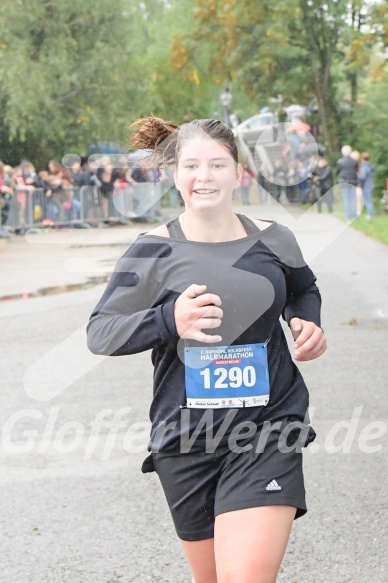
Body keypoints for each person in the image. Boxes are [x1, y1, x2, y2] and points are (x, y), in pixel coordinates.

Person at [86, 117, 327, 583]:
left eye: (218, 164)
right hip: (186, 438)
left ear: (238, 172)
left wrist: (307, 320)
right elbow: (101, 331)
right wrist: (168, 320)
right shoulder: (151, 250)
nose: (205, 176)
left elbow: (304, 288)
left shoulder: (274, 238)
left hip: (268, 428)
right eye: (192, 165)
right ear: (174, 174)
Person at [336, 145, 358, 222]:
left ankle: (348, 216)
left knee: (346, 199)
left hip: (344, 182)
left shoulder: (340, 161)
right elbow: (356, 170)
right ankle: (354, 215)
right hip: (353, 181)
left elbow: (337, 171)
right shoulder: (354, 161)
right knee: (353, 199)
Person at [358, 152, 375, 219]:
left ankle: (370, 214)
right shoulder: (370, 165)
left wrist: (357, 175)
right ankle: (370, 213)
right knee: (369, 199)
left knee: (367, 200)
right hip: (370, 184)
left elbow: (362, 176)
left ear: (362, 158)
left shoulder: (364, 166)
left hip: (366, 185)